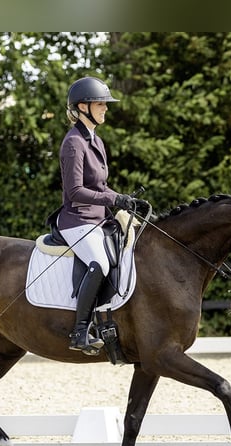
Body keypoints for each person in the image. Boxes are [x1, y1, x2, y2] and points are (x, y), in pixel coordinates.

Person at [57, 76, 136, 354]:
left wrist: (124, 200)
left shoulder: (95, 141)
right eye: (101, 103)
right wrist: (113, 199)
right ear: (83, 106)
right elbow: (76, 191)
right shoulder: (73, 143)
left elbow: (101, 186)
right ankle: (79, 332)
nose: (105, 108)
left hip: (98, 218)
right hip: (77, 220)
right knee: (100, 263)